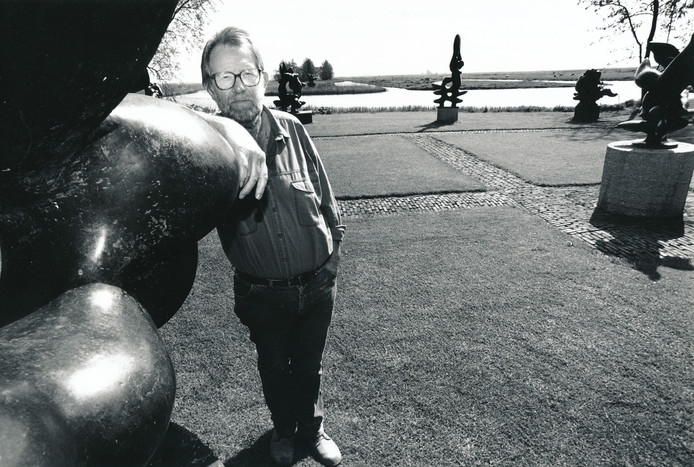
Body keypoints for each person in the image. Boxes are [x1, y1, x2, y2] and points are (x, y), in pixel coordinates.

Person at [201, 26, 345, 466]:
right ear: (210, 87)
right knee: (273, 368)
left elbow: (325, 200)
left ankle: (313, 428)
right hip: (261, 294)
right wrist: (218, 127)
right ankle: (284, 431)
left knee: (309, 366)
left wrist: (331, 261)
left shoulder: (293, 128)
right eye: (224, 78)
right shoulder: (208, 148)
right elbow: (159, 114)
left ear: (263, 76)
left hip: (318, 284)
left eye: (246, 74)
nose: (239, 87)